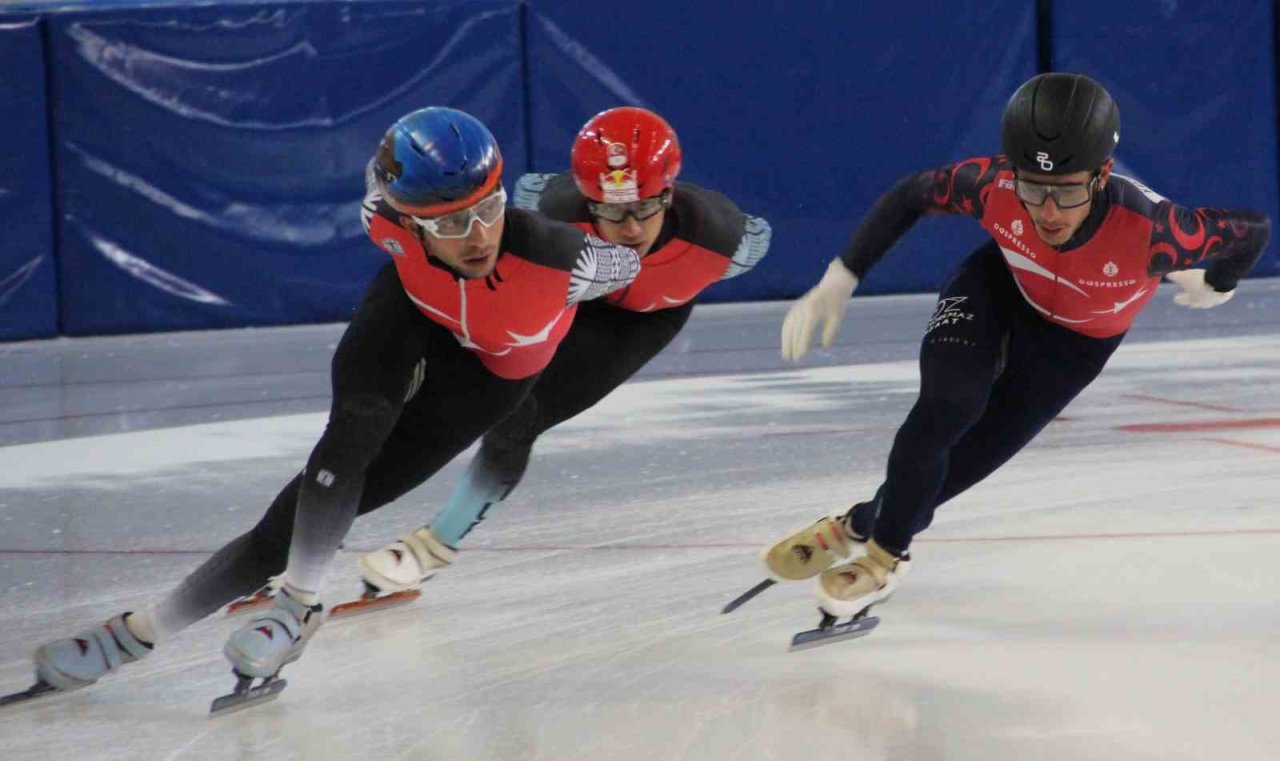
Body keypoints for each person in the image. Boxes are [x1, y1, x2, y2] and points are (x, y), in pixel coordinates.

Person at [19, 107, 642, 710]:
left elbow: (635, 259)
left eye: (486, 210)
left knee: (297, 522)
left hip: (490, 373)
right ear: (409, 220)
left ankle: (276, 608)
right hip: (413, 312)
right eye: (449, 224)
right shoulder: (381, 213)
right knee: (341, 447)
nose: (476, 236)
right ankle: (172, 626)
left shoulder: (569, 260)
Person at [762, 72, 1271, 626]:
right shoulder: (992, 184)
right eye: (1033, 188)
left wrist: (1219, 283)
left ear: (1102, 175)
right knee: (946, 407)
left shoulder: (1161, 232)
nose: (1048, 211)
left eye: (1068, 191)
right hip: (999, 287)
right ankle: (887, 557)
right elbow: (913, 194)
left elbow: (1253, 229)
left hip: (1075, 344)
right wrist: (841, 276)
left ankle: (859, 525)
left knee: (971, 456)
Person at [353, 106, 772, 596]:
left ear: (671, 193)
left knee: (521, 419)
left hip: (638, 320)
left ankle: (434, 547)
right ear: (585, 198)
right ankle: (317, 516)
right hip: (570, 291)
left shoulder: (726, 239)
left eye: (645, 208)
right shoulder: (550, 206)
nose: (630, 229)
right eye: (610, 210)